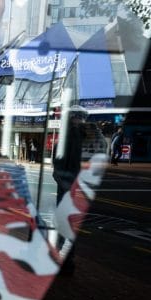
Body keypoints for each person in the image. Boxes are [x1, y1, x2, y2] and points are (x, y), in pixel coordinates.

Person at [52, 106, 87, 275]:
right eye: (79, 118)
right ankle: (64, 261)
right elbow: (59, 167)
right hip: (67, 189)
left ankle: (65, 261)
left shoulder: (76, 137)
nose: (81, 121)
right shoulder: (69, 138)